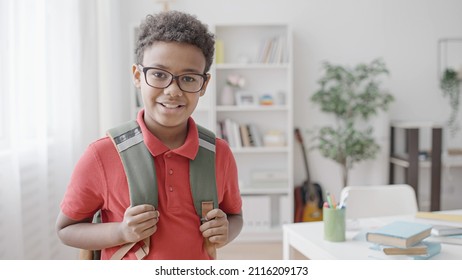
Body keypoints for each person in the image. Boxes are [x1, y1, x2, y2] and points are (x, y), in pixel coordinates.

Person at [56, 10, 243, 260]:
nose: (172, 90)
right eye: (158, 74)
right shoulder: (101, 154)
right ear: (137, 76)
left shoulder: (219, 153)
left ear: (204, 84)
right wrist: (121, 232)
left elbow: (235, 216)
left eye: (188, 78)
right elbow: (66, 229)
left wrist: (226, 230)